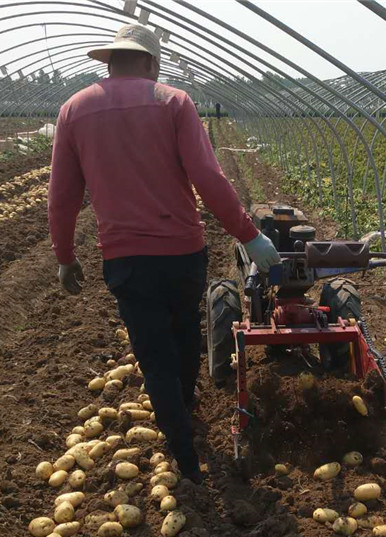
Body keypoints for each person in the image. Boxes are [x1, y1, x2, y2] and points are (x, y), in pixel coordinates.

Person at [47, 24, 280, 484]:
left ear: (108, 61)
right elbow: (208, 177)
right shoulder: (172, 101)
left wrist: (65, 254)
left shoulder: (73, 110)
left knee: (153, 356)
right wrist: (248, 235)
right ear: (152, 63)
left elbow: (63, 195)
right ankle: (186, 411)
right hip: (181, 252)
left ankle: (183, 454)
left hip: (125, 259)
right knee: (184, 337)